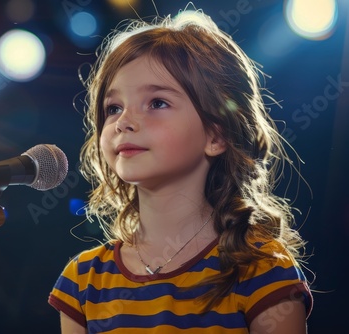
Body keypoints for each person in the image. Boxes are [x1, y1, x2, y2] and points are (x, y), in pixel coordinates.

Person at [49, 6, 313, 334]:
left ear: (216, 135)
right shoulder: (82, 281)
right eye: (113, 108)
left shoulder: (261, 267)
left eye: (157, 103)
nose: (124, 122)